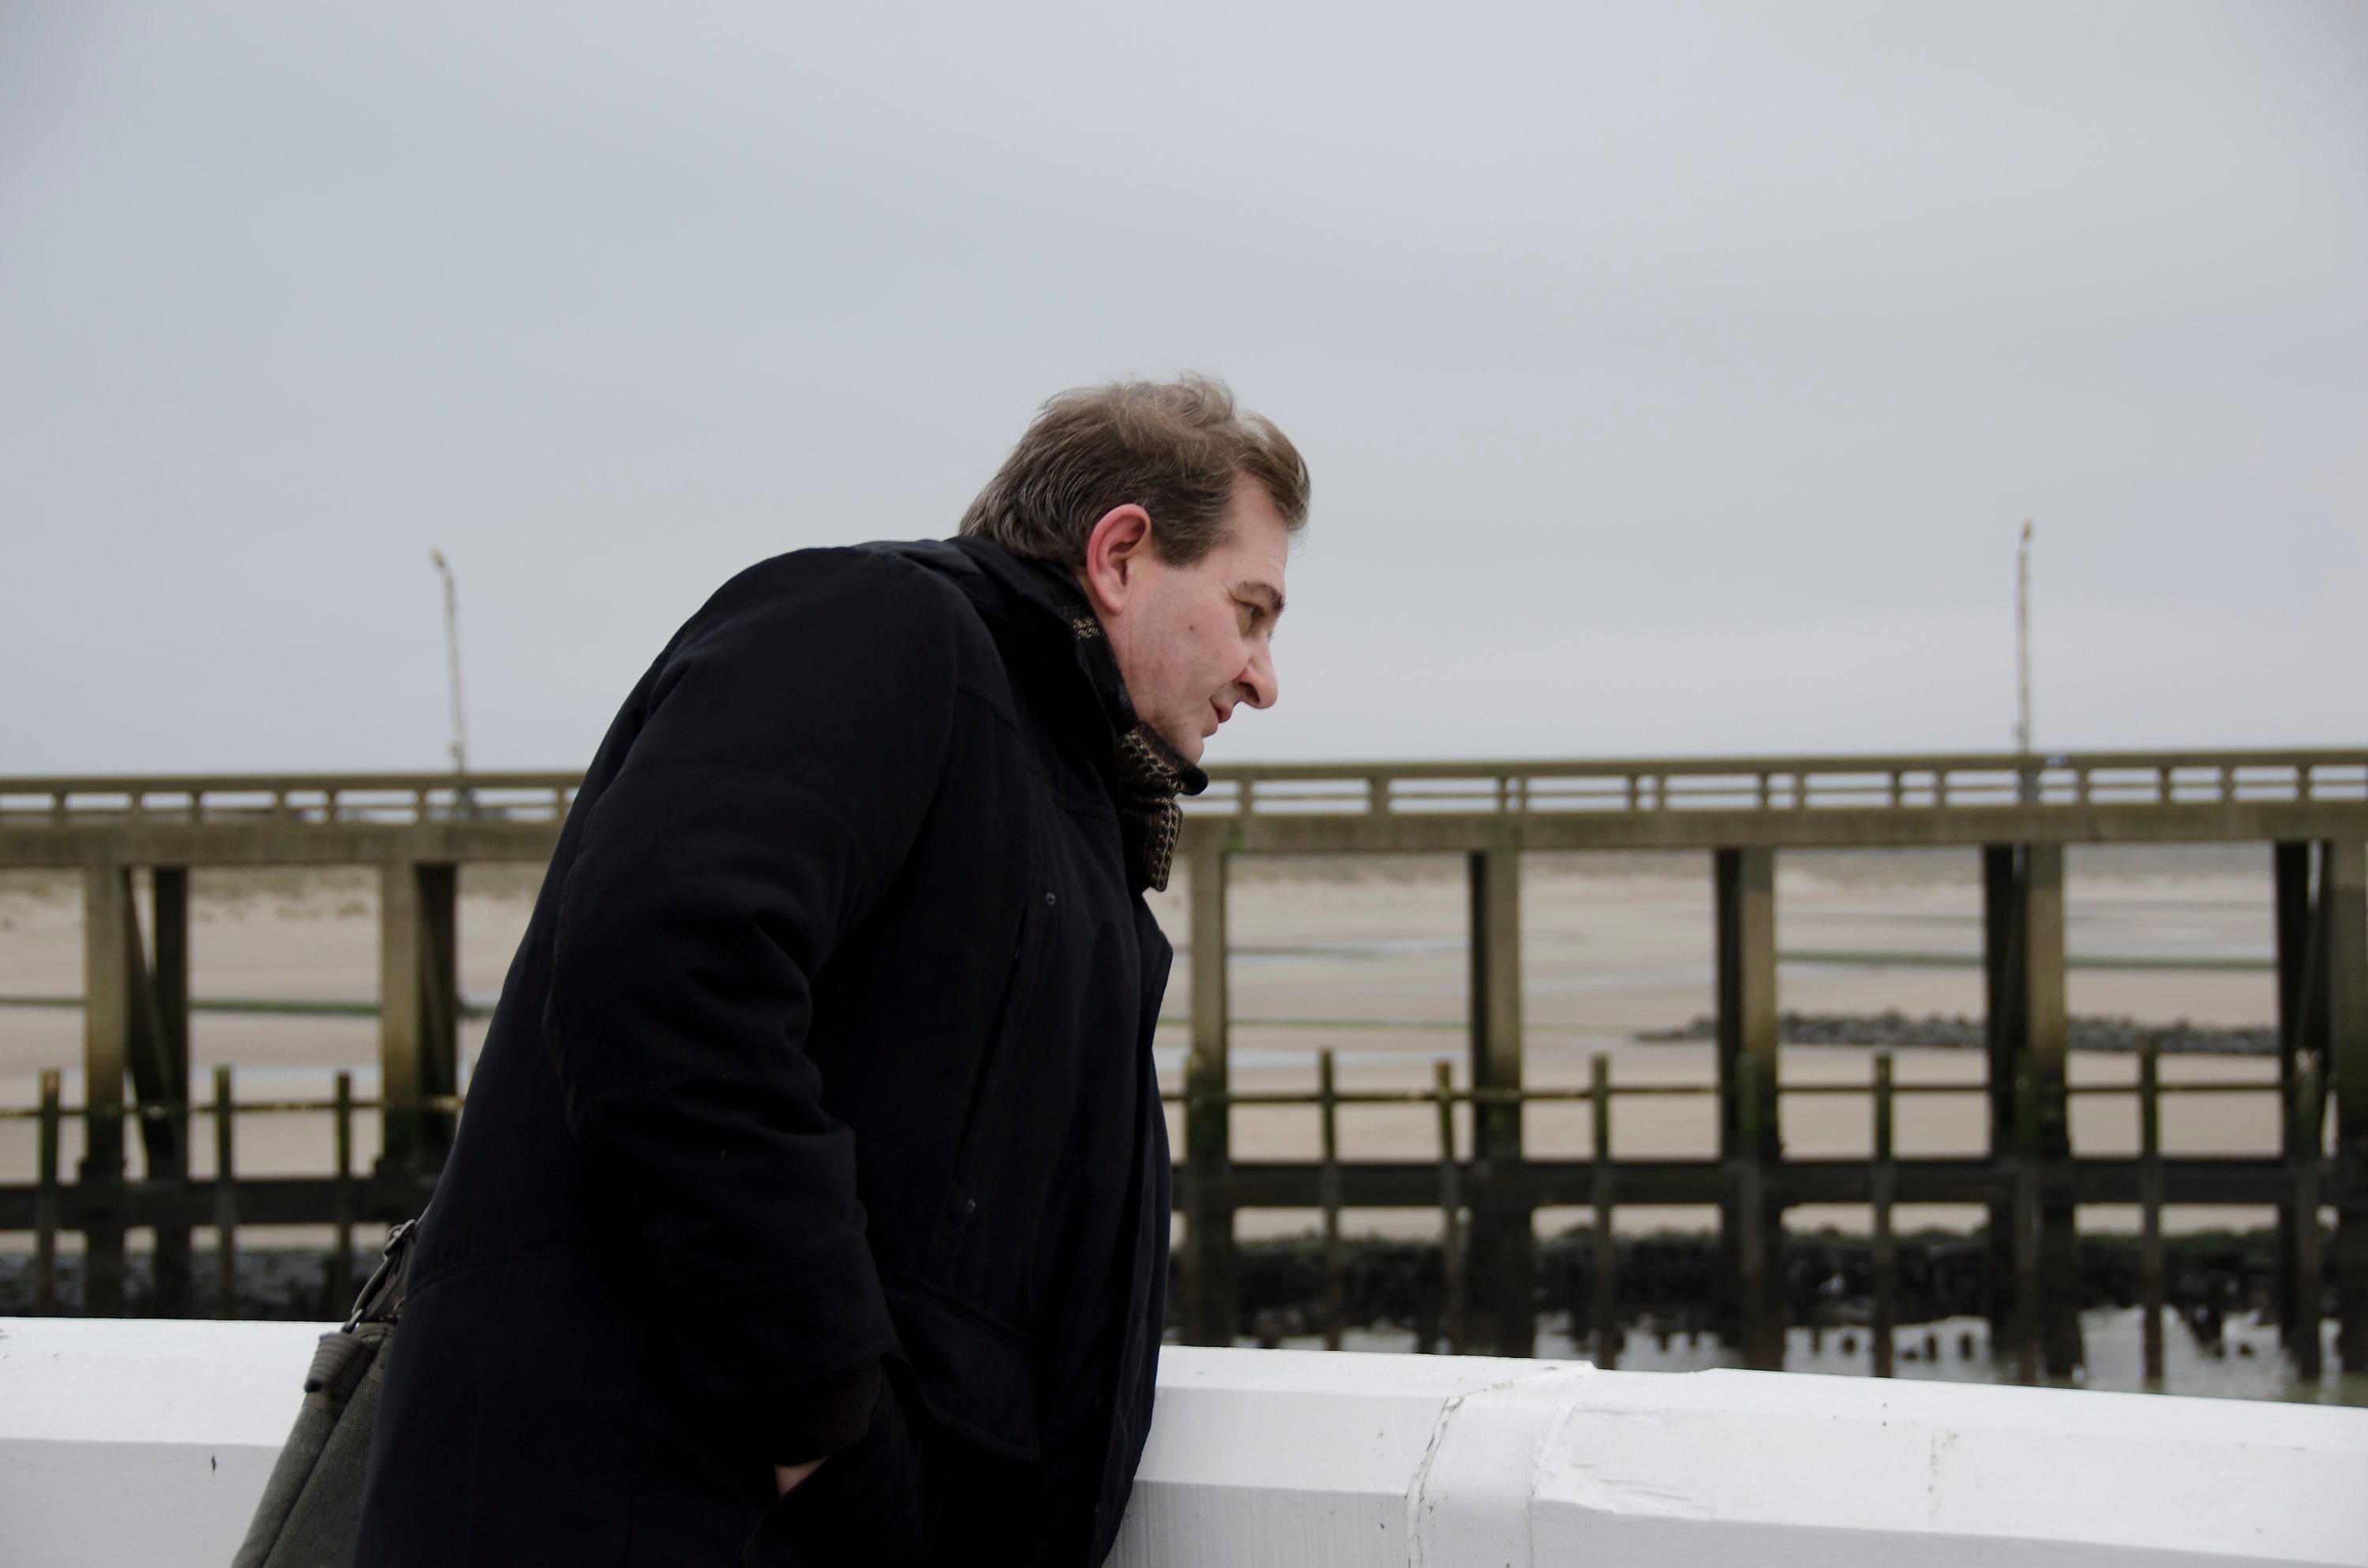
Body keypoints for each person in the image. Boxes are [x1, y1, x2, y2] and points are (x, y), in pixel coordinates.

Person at [355, 376, 1307, 1566]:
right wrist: (829, 1438)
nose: (1264, 677)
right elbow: (670, 976)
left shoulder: (1066, 817)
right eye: (1251, 611)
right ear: (1120, 554)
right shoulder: (882, 627)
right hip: (657, 1515)